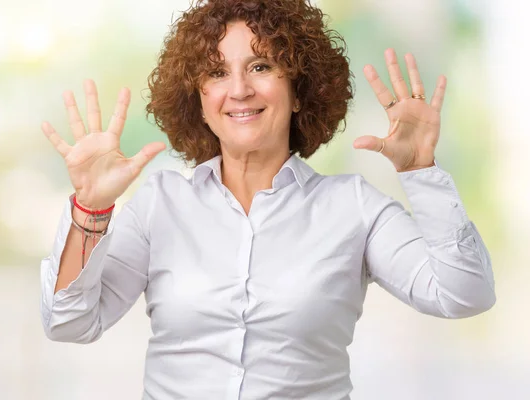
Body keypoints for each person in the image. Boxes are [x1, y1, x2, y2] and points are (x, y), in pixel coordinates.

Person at [40, 0, 496, 398]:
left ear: (299, 90)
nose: (239, 89)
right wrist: (90, 210)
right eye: (217, 72)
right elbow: (69, 323)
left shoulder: (353, 206)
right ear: (199, 101)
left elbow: (463, 295)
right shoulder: (160, 203)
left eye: (260, 66)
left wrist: (421, 172)